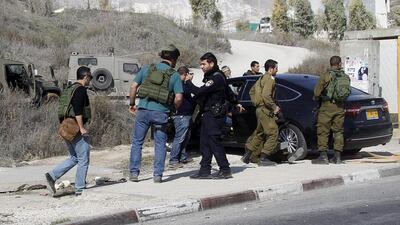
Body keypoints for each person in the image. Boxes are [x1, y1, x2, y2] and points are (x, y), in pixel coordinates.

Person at [128, 44, 183, 183]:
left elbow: (133, 86)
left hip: (144, 111)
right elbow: (179, 98)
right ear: (174, 59)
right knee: (160, 144)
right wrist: (174, 109)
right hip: (161, 113)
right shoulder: (174, 75)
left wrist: (132, 104)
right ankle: (157, 175)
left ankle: (134, 173)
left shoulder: (147, 69)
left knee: (137, 143)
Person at [185, 52, 242, 179]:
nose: (201, 67)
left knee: (214, 141)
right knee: (204, 142)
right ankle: (205, 170)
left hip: (214, 115)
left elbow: (199, 92)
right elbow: (229, 93)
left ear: (212, 63)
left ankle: (225, 169)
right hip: (208, 113)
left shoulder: (216, 78)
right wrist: (236, 102)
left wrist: (188, 82)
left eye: (204, 64)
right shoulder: (215, 76)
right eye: (201, 64)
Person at [241, 59, 303, 166]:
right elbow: (266, 95)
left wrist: (257, 102)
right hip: (265, 110)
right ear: (271, 69)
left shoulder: (261, 78)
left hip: (259, 109)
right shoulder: (269, 79)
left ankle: (247, 155)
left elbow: (251, 91)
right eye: (276, 68)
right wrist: (274, 107)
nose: (277, 70)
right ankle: (264, 158)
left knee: (260, 133)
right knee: (273, 133)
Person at [45, 66, 92, 196]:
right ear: (85, 77)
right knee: (83, 159)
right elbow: (78, 109)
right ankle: (80, 189)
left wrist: (64, 125)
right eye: (90, 77)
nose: (90, 80)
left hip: (66, 126)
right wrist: (81, 128)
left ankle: (52, 175)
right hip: (75, 128)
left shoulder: (69, 89)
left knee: (74, 157)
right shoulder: (81, 89)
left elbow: (63, 109)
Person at [312, 56, 350, 164]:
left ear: (330, 64)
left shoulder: (326, 76)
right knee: (338, 132)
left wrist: (317, 98)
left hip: (327, 107)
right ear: (339, 64)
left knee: (323, 131)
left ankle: (323, 157)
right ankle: (337, 157)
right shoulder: (345, 76)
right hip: (340, 107)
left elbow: (316, 92)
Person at [168, 66, 195, 169]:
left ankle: (183, 156)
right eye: (187, 75)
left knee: (185, 138)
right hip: (181, 116)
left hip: (186, 115)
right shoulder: (179, 84)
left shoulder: (183, 84)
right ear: (185, 74)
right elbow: (188, 91)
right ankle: (173, 160)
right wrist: (189, 81)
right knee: (179, 138)